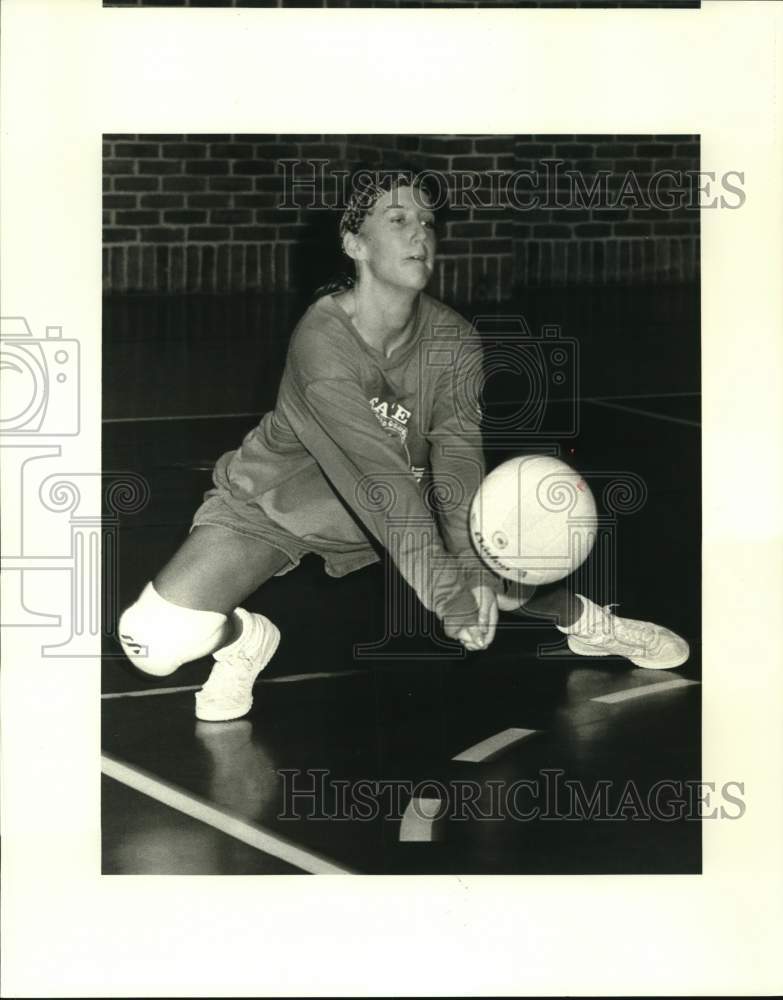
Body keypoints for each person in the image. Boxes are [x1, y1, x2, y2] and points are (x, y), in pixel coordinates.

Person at [118, 166, 689, 723]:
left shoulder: (455, 339)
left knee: (499, 581)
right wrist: (448, 595)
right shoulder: (321, 343)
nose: (420, 233)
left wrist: (470, 568)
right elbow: (377, 481)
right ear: (354, 243)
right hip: (283, 499)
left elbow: (458, 456)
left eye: (427, 221)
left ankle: (586, 622)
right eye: (397, 219)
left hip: (410, 500)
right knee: (154, 642)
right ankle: (244, 639)